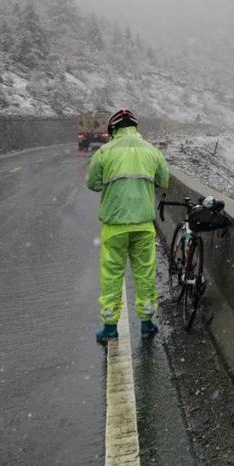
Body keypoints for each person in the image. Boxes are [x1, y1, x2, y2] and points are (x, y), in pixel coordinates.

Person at [85, 108, 170, 344]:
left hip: (115, 225)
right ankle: (146, 324)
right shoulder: (152, 152)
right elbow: (164, 181)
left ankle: (110, 327)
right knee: (145, 273)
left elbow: (92, 183)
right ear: (135, 127)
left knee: (112, 274)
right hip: (144, 225)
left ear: (113, 129)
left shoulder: (104, 151)